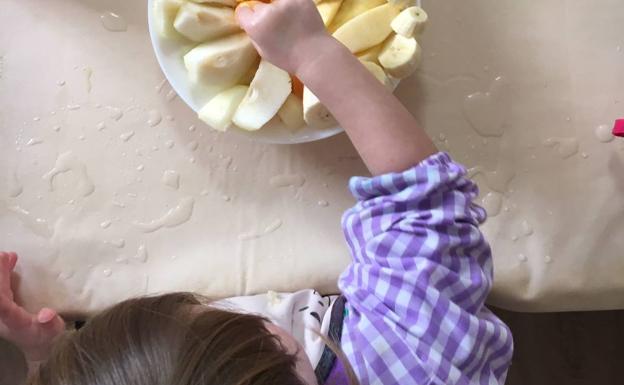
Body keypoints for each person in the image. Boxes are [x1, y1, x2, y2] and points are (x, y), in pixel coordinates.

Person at [0, 0, 513, 384]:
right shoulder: (414, 360)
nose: (244, 309)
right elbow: (426, 204)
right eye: (237, 320)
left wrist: (49, 358)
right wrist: (315, 54)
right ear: (275, 341)